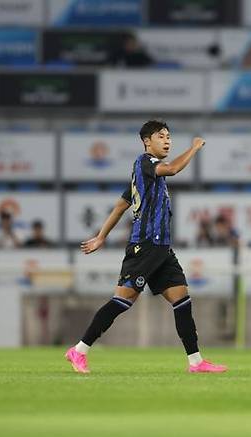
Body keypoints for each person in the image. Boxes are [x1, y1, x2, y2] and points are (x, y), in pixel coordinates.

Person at [65, 120, 227, 374]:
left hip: (162, 248)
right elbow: (173, 169)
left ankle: (196, 362)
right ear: (146, 141)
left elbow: (121, 205)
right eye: (161, 136)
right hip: (145, 246)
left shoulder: (148, 177)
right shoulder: (145, 163)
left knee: (181, 299)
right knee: (123, 300)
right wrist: (194, 148)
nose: (167, 140)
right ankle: (79, 349)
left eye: (169, 136)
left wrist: (101, 236)